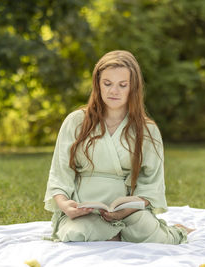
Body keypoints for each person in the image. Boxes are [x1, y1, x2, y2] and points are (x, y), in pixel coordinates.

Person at [44, 50, 193, 244]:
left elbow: (151, 183)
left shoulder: (147, 130)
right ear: (97, 84)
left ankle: (174, 231)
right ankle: (116, 234)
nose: (114, 91)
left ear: (133, 88)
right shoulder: (76, 122)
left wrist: (127, 210)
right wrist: (66, 205)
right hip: (85, 210)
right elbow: (60, 172)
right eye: (107, 84)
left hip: (129, 213)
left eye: (122, 85)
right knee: (75, 234)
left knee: (152, 235)